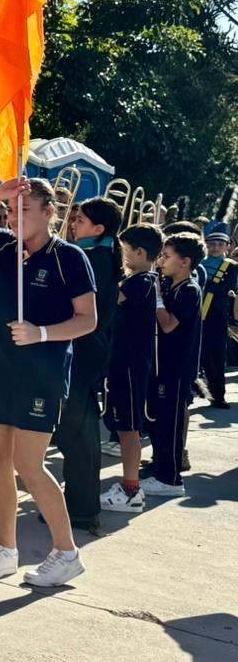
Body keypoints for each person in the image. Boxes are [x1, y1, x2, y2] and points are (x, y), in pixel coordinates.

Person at [0, 178, 96, 587]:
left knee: (29, 465)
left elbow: (87, 320)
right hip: (0, 370)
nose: (13, 218)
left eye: (23, 210)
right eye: (10, 211)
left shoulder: (70, 258)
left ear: (49, 212)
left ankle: (66, 553)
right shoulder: (1, 246)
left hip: (42, 376)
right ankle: (5, 548)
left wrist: (41, 333)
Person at [50, 197, 122, 534]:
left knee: (76, 433)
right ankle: (79, 504)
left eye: (80, 220)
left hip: (81, 349)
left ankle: (79, 509)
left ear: (98, 229)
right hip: (87, 349)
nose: (73, 223)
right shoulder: (100, 255)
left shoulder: (94, 259)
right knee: (78, 431)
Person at [99, 223, 164, 513]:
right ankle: (130, 486)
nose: (121, 255)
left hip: (130, 363)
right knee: (126, 427)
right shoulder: (140, 280)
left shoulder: (142, 281)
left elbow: (107, 301)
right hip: (124, 362)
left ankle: (130, 490)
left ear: (139, 252)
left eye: (124, 250)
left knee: (129, 429)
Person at [142, 232, 205, 497]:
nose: (161, 261)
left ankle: (170, 479)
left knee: (171, 422)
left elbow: (168, 325)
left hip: (177, 368)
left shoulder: (189, 290)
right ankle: (160, 465)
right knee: (158, 420)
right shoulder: (169, 283)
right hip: (162, 364)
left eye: (166, 256)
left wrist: (157, 301)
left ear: (185, 262)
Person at [198, 222, 236, 408]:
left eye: (220, 244)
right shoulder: (199, 264)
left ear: (227, 246)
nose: (215, 247)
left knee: (216, 356)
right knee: (197, 354)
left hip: (217, 316)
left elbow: (230, 288)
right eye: (211, 244)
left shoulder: (231, 266)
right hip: (196, 314)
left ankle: (218, 394)